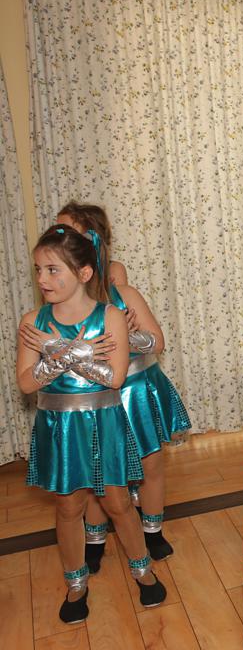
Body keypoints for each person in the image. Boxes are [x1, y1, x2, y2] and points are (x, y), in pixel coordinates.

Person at [16, 225, 166, 624]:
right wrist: (67, 353)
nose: (42, 279)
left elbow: (114, 379)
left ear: (83, 273)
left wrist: (63, 351)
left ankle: (143, 570)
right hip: (59, 427)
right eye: (38, 269)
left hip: (104, 421)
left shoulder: (110, 316)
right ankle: (76, 584)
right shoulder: (33, 321)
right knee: (69, 507)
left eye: (53, 270)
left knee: (118, 502)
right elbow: (26, 383)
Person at [60, 211, 191, 567]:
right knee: (95, 472)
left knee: (151, 465)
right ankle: (95, 538)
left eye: (67, 232)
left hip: (135, 391)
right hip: (93, 398)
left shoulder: (122, 293)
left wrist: (128, 334)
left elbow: (157, 341)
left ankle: (153, 530)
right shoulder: (60, 306)